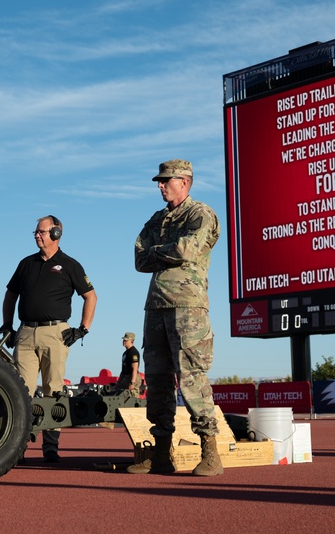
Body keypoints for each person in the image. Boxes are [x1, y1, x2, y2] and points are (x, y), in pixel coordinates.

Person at [128, 159, 222, 477]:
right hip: (155, 307)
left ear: (184, 181)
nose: (160, 185)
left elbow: (188, 250)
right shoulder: (157, 219)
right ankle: (160, 453)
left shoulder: (200, 213)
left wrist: (159, 250)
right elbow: (139, 258)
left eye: (166, 180)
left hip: (188, 307)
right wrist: (163, 250)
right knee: (156, 382)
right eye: (159, 180)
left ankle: (210, 451)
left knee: (192, 378)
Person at [2, 214, 96, 463]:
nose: (37, 235)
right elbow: (10, 295)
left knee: (53, 390)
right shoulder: (26, 264)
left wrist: (82, 329)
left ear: (56, 234)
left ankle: (50, 447)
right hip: (25, 333)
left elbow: (90, 297)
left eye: (42, 231)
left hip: (55, 334)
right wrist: (7, 326)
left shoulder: (70, 265)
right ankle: (17, 446)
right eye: (35, 231)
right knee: (20, 391)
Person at [116, 332, 142, 396]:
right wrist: (118, 383)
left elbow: (135, 369)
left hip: (132, 377)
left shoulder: (133, 352)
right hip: (125, 377)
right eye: (123, 340)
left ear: (131, 341)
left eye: (126, 340)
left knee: (131, 398)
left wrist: (132, 383)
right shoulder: (125, 353)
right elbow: (123, 370)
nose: (124, 341)